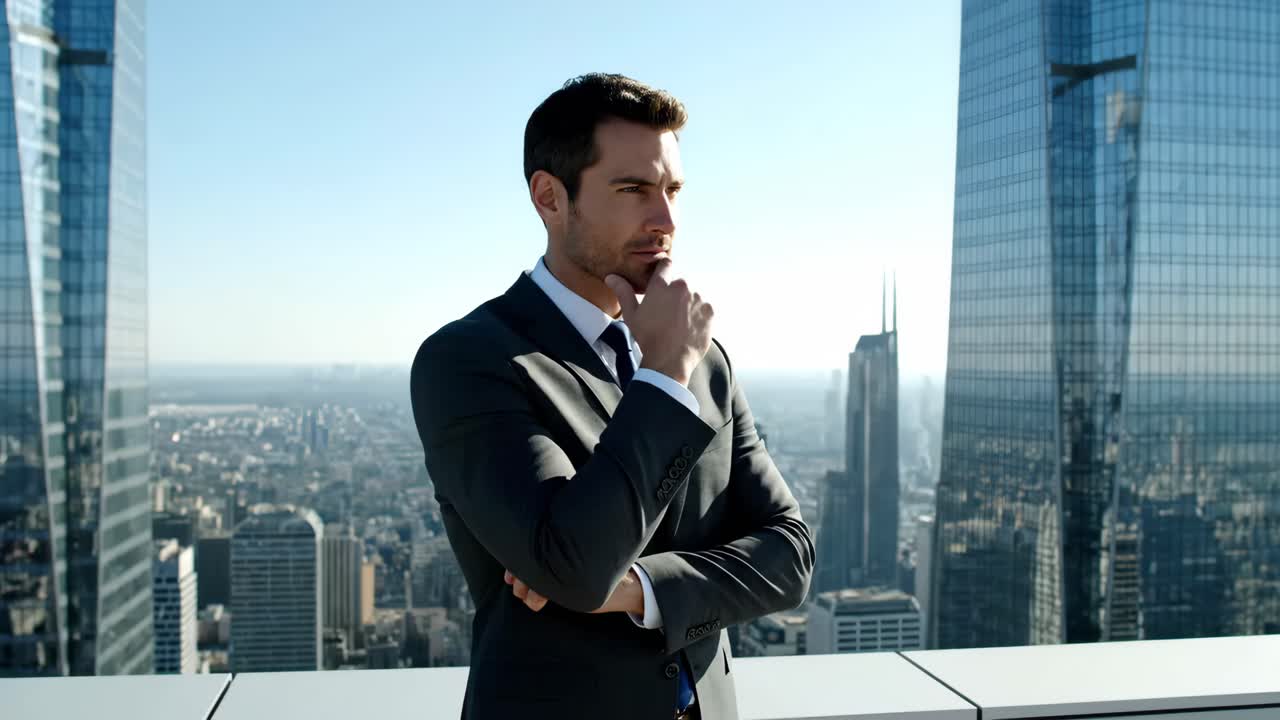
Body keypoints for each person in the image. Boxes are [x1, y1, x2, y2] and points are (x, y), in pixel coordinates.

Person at [410, 73, 815, 720]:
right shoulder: (471, 360)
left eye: (672, 190)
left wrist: (637, 589)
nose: (666, 220)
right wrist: (661, 378)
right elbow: (573, 565)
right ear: (550, 198)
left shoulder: (705, 360)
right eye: (633, 190)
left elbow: (791, 556)